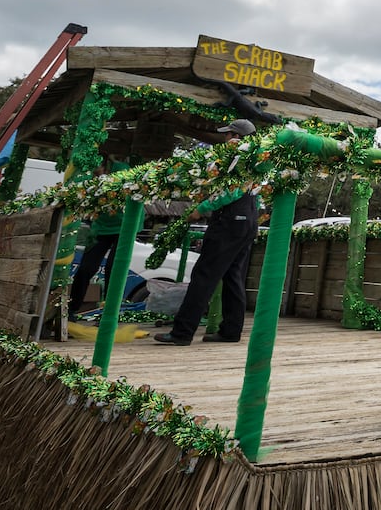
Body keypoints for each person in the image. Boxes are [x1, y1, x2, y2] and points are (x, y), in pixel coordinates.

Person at [153, 120, 263, 346]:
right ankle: (231, 330)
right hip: (248, 220)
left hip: (229, 221)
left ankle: (182, 332)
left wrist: (200, 210)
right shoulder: (259, 158)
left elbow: (230, 192)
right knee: (233, 277)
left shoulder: (238, 157)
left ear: (236, 137)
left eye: (228, 134)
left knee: (204, 276)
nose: (224, 139)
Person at [67, 162, 128, 320]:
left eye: (97, 169)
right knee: (86, 268)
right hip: (101, 228)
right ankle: (70, 310)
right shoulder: (90, 179)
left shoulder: (121, 170)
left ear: (104, 165)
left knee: (113, 268)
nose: (94, 173)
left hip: (124, 227)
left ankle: (109, 313)